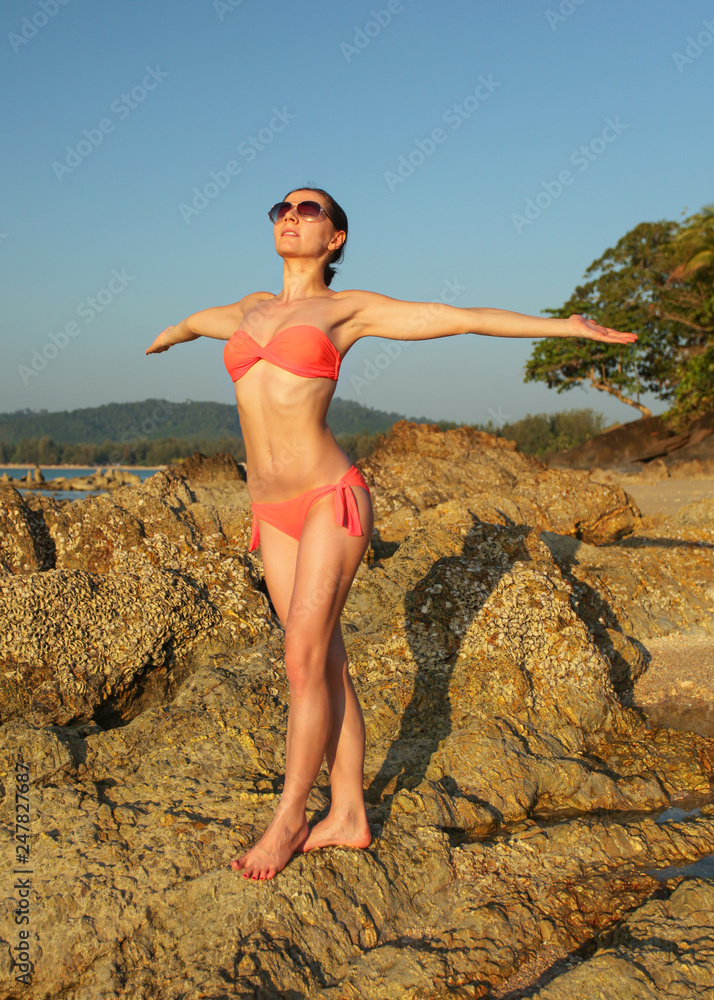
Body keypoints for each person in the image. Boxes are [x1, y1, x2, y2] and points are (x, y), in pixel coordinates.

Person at [146, 186, 637, 880]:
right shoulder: (249, 309)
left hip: (328, 498)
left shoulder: (346, 310)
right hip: (270, 514)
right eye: (281, 209)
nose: (291, 216)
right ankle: (349, 813)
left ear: (336, 238)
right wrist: (172, 334)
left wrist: (565, 327)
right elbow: (201, 321)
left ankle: (289, 818)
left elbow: (455, 317)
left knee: (301, 659)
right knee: (325, 663)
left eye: (309, 210)